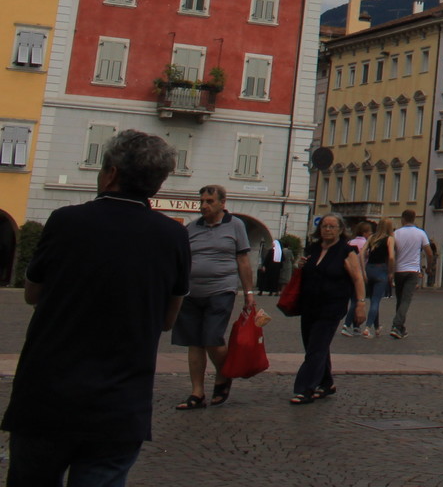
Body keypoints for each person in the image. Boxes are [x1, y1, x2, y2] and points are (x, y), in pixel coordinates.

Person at [3, 129, 189, 485]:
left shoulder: (66, 221)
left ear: (112, 173)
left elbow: (32, 293)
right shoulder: (174, 236)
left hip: (47, 394)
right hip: (121, 403)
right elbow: (168, 318)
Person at [173, 184, 255, 409]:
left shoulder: (236, 225)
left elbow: (243, 261)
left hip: (221, 290)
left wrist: (249, 292)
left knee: (212, 339)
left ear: (222, 203)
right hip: (192, 292)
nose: (204, 206)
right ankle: (197, 393)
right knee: (194, 343)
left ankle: (224, 374)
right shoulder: (192, 228)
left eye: (209, 201)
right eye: (202, 201)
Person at [291, 214, 366, 404]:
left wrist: (360, 304)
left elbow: (358, 279)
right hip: (309, 305)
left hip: (332, 306)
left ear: (341, 230)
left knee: (316, 347)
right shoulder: (312, 249)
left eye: (332, 227)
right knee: (313, 345)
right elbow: (305, 272)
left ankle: (305, 388)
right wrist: (299, 265)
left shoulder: (346, 251)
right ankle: (326, 383)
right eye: (325, 226)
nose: (328, 230)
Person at [387, 210, 428, 338]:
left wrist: (390, 271)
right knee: (405, 300)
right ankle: (397, 325)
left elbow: (391, 253)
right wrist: (430, 266)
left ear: (402, 219)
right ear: (414, 218)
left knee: (400, 299)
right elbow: (429, 251)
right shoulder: (421, 233)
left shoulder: (396, 233)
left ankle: (400, 328)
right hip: (412, 271)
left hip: (399, 270)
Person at [359, 220, 391, 338]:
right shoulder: (389, 239)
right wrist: (391, 271)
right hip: (381, 269)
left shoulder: (372, 237)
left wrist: (363, 270)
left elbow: (362, 252)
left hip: (369, 269)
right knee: (376, 301)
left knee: (373, 300)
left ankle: (377, 327)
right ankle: (367, 328)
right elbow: (391, 257)